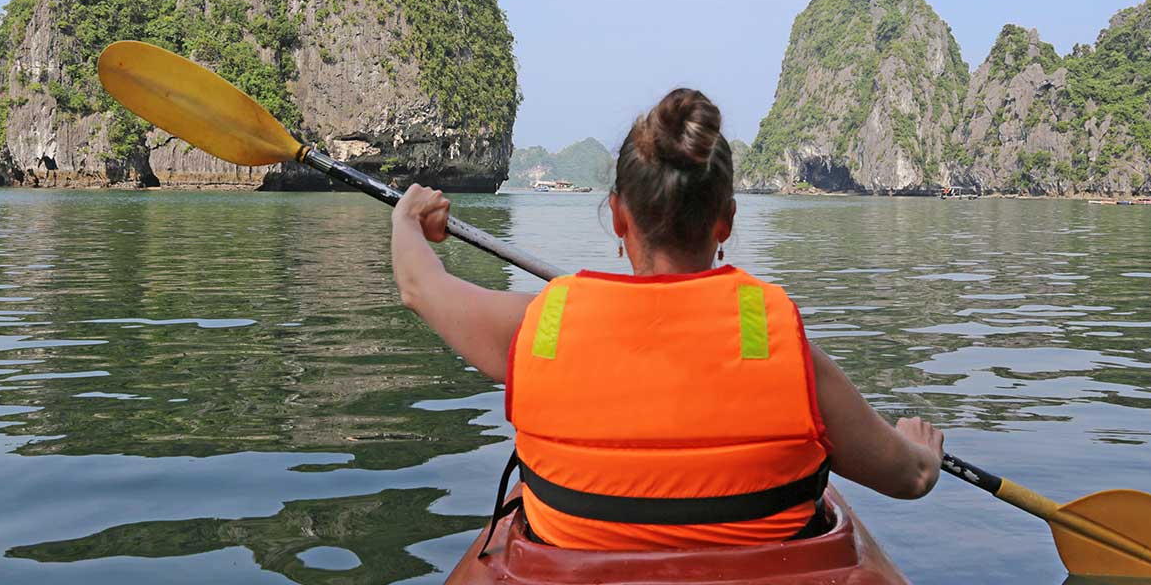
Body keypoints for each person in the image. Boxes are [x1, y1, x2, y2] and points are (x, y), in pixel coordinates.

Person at [391, 88, 944, 551]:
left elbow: (421, 286)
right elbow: (911, 477)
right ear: (725, 221)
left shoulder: (539, 325)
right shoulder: (785, 349)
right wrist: (918, 444)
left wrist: (409, 219)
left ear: (617, 216)